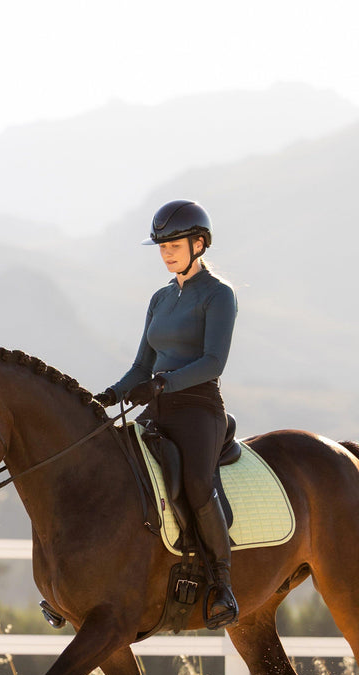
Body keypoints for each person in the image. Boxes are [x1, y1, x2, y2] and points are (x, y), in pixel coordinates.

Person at [95, 199, 239, 628]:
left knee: (195, 483)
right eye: (161, 246)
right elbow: (142, 366)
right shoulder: (159, 298)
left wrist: (164, 382)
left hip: (198, 408)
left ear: (199, 243)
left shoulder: (219, 295)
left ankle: (222, 584)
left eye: (174, 244)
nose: (167, 252)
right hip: (156, 406)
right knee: (112, 469)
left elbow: (214, 362)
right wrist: (108, 394)